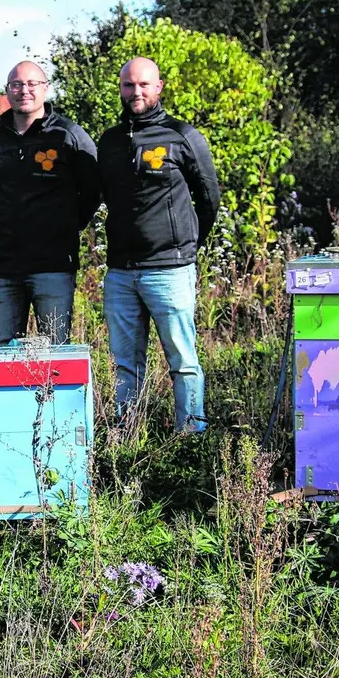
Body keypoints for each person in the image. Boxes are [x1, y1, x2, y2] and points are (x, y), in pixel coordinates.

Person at [94, 57, 221, 433]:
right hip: (120, 272)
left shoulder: (182, 136)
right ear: (120, 89)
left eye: (144, 85)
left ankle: (192, 437)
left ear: (159, 87)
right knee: (125, 364)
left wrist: (187, 244)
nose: (136, 92)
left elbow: (209, 197)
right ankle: (128, 439)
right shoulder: (110, 141)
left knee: (182, 360)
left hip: (170, 270)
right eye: (129, 85)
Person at [0, 60, 100, 347]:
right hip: (1, 268)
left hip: (52, 266)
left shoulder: (68, 135)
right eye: (16, 84)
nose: (24, 90)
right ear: (7, 91)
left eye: (32, 84)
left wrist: (66, 226)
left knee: (55, 353)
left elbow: (92, 190)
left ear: (46, 88)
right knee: (3, 354)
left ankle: (50, 396)